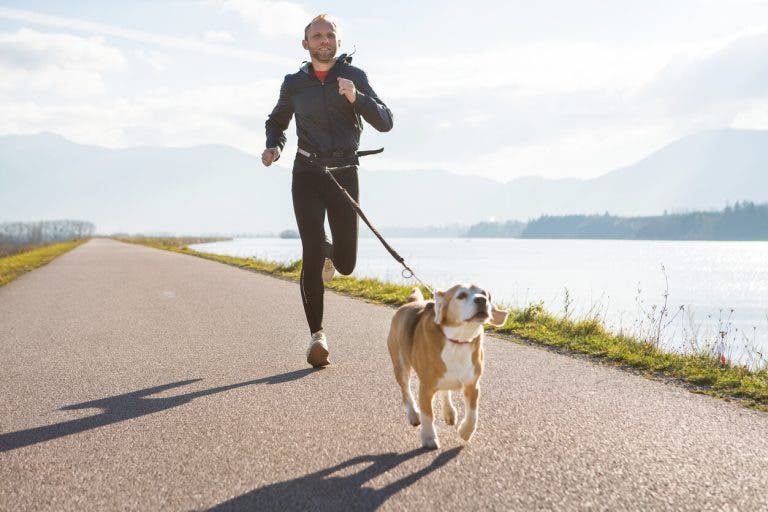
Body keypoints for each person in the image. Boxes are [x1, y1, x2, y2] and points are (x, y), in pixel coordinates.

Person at [262, 14, 393, 367]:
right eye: (316, 35)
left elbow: (386, 121)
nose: (323, 40)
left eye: (328, 35)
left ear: (337, 40)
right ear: (305, 44)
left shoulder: (355, 77)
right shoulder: (294, 83)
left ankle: (332, 256)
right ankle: (317, 336)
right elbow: (276, 122)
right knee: (311, 250)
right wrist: (274, 146)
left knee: (347, 264)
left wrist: (358, 98)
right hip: (307, 173)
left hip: (345, 174)